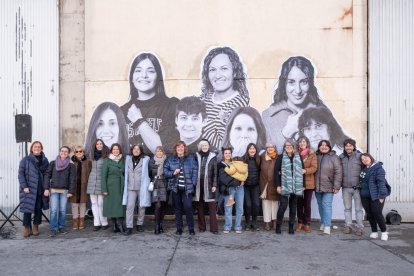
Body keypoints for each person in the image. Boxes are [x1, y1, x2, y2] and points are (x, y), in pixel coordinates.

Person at [262, 56, 326, 152]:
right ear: (284, 84)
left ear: (311, 84)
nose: (298, 90)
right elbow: (266, 156)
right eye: (291, 82)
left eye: (303, 82)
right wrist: (287, 133)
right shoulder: (268, 116)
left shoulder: (322, 113)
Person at [120, 52, 179, 155]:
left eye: (150, 71)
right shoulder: (122, 111)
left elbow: (163, 151)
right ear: (132, 77)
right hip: (133, 169)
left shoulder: (171, 106)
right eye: (138, 71)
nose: (144, 75)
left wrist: (139, 121)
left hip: (160, 169)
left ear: (158, 76)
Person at [200, 46, 249, 149]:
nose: (218, 75)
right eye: (212, 70)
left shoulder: (240, 105)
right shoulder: (203, 99)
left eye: (224, 69)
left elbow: (225, 145)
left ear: (234, 72)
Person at [164, 141, 198, 235]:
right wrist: (173, 173)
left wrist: (193, 183)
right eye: (178, 147)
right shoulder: (171, 159)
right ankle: (179, 228)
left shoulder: (190, 159)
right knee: (178, 209)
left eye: (182, 147)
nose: (180, 149)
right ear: (176, 149)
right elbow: (165, 171)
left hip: (187, 189)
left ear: (184, 148)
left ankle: (191, 228)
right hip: (176, 188)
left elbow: (195, 171)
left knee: (188, 207)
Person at [18, 141, 50, 237]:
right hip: (28, 189)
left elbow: (47, 175)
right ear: (31, 148)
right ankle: (27, 228)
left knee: (38, 209)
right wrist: (24, 186)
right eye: (35, 147)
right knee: (27, 209)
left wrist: (46, 188)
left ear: (41, 148)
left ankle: (35, 226)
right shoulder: (25, 160)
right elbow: (21, 174)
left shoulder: (45, 160)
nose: (37, 148)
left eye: (39, 147)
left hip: (40, 189)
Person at [43, 146, 76, 237]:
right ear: (59, 152)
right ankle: (53, 229)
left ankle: (61, 227)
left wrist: (71, 191)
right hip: (53, 190)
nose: (63, 153)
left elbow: (72, 179)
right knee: (53, 210)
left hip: (65, 191)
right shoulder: (53, 163)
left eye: (66, 151)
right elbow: (47, 175)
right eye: (62, 151)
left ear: (68, 153)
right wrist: (46, 188)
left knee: (62, 210)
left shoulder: (71, 165)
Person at [274, 139, 305, 234]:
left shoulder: (298, 157)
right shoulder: (280, 157)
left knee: (293, 207)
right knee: (283, 206)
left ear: (294, 147)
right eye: (287, 146)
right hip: (285, 185)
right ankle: (278, 226)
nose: (288, 147)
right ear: (284, 147)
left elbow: (302, 172)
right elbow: (276, 172)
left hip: (296, 186)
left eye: (290, 145)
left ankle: (291, 227)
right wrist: (278, 186)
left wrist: (303, 185)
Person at [360, 153, 390, 241]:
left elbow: (381, 183)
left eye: (366, 157)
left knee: (377, 213)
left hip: (376, 196)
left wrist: (382, 196)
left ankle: (384, 232)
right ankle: (374, 231)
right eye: (362, 159)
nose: (364, 160)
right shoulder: (364, 169)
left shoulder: (378, 168)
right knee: (370, 214)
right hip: (364, 196)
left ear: (370, 157)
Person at [315, 140, 343, 235]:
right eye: (321, 145)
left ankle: (327, 226)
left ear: (329, 147)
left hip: (329, 186)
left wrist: (336, 186)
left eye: (326, 145)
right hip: (317, 186)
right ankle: (324, 222)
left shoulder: (334, 157)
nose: (323, 147)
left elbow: (338, 172)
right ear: (319, 147)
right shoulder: (316, 156)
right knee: (320, 205)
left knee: (326, 205)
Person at [122, 144, 151, 235]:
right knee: (130, 207)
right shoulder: (128, 159)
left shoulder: (146, 160)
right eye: (134, 149)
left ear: (141, 150)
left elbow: (150, 171)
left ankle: (139, 224)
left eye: (138, 149)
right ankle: (129, 226)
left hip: (142, 187)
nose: (136, 150)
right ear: (132, 150)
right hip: (131, 187)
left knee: (141, 206)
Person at [218, 147, 246, 234]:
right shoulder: (221, 165)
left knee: (240, 208)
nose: (227, 154)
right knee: (228, 208)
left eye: (229, 153)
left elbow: (243, 172)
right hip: (229, 189)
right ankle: (227, 226)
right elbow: (224, 179)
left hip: (240, 189)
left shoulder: (236, 163)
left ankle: (238, 226)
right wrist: (238, 181)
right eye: (226, 153)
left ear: (231, 154)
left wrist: (243, 179)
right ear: (223, 154)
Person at [340, 138, 364, 236]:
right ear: (344, 147)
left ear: (354, 147)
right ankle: (348, 226)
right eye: (346, 146)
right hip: (345, 188)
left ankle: (360, 227)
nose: (348, 147)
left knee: (358, 209)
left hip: (357, 188)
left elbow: (366, 168)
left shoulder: (360, 156)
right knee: (347, 208)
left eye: (350, 145)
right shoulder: (341, 157)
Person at [194, 139, 218, 234]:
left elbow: (215, 173)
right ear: (200, 147)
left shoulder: (213, 156)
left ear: (208, 146)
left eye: (206, 145)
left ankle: (214, 228)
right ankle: (202, 227)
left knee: (211, 206)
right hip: (198, 183)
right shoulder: (196, 156)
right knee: (199, 205)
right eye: (203, 146)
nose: (205, 147)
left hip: (209, 183)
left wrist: (214, 185)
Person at [102, 143, 126, 233]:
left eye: (117, 149)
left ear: (120, 150)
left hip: (121, 185)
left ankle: (120, 224)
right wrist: (104, 189)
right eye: (114, 149)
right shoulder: (107, 161)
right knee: (111, 206)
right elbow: (103, 176)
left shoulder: (123, 159)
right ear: (111, 151)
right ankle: (114, 225)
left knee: (120, 206)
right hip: (110, 186)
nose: (116, 151)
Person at [86, 139, 110, 231]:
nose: (99, 145)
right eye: (97, 144)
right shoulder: (92, 156)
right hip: (92, 181)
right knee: (94, 203)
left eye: (100, 144)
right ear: (95, 146)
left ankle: (104, 222)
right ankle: (97, 223)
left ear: (103, 145)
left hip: (101, 182)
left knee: (101, 203)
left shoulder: (106, 157)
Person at [296, 136, 317, 233]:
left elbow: (314, 168)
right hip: (298, 182)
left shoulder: (312, 154)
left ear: (307, 143)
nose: (302, 143)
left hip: (309, 183)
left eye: (304, 141)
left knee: (307, 204)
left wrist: (305, 170)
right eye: (300, 142)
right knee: (299, 204)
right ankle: (300, 222)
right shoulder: (295, 153)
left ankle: (307, 223)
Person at [70, 146, 91, 230]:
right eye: (77, 151)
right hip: (74, 186)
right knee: (74, 205)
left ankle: (82, 220)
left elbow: (90, 174)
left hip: (84, 186)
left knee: (83, 204)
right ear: (74, 153)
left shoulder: (88, 162)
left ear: (83, 152)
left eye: (80, 151)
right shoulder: (71, 163)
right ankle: (75, 221)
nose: (79, 153)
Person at [259, 143, 279, 231]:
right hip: (264, 183)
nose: (270, 149)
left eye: (272, 147)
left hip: (275, 183)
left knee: (274, 203)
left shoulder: (279, 157)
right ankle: (267, 222)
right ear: (266, 148)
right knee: (266, 203)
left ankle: (274, 221)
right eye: (268, 147)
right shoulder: (262, 157)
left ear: (275, 148)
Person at [148, 146, 168, 234]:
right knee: (157, 205)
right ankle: (156, 226)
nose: (159, 153)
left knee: (163, 205)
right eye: (157, 151)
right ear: (155, 153)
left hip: (164, 184)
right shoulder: (151, 161)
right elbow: (149, 174)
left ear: (163, 152)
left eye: (161, 151)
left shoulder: (167, 161)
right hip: (155, 184)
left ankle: (160, 225)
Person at [242, 143, 261, 231]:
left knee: (256, 204)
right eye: (250, 148)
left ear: (256, 150)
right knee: (248, 205)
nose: (252, 150)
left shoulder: (259, 159)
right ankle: (247, 223)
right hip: (246, 186)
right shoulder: (243, 159)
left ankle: (254, 222)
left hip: (255, 186)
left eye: (253, 148)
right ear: (247, 150)